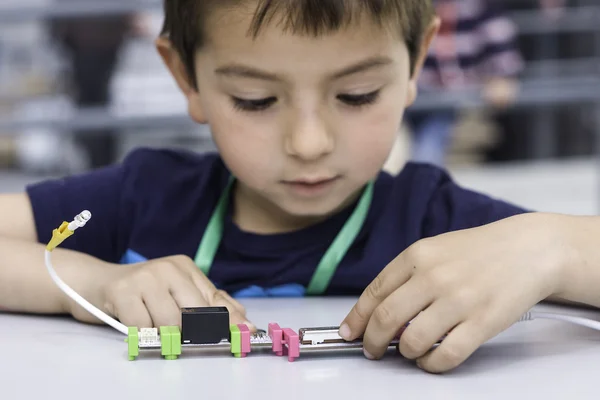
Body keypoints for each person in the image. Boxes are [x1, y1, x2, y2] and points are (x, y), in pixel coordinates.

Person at [0, 0, 599, 375]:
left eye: (357, 94)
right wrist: (92, 284)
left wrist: (556, 248)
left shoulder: (433, 218)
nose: (308, 143)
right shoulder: (145, 196)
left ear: (416, 63)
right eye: (255, 100)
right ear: (186, 75)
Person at [405, 0, 523, 166]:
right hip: (414, 92)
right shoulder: (410, 7)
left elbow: (501, 49)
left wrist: (502, 77)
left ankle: (422, 180)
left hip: (457, 98)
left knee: (430, 144)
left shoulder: (482, 6)